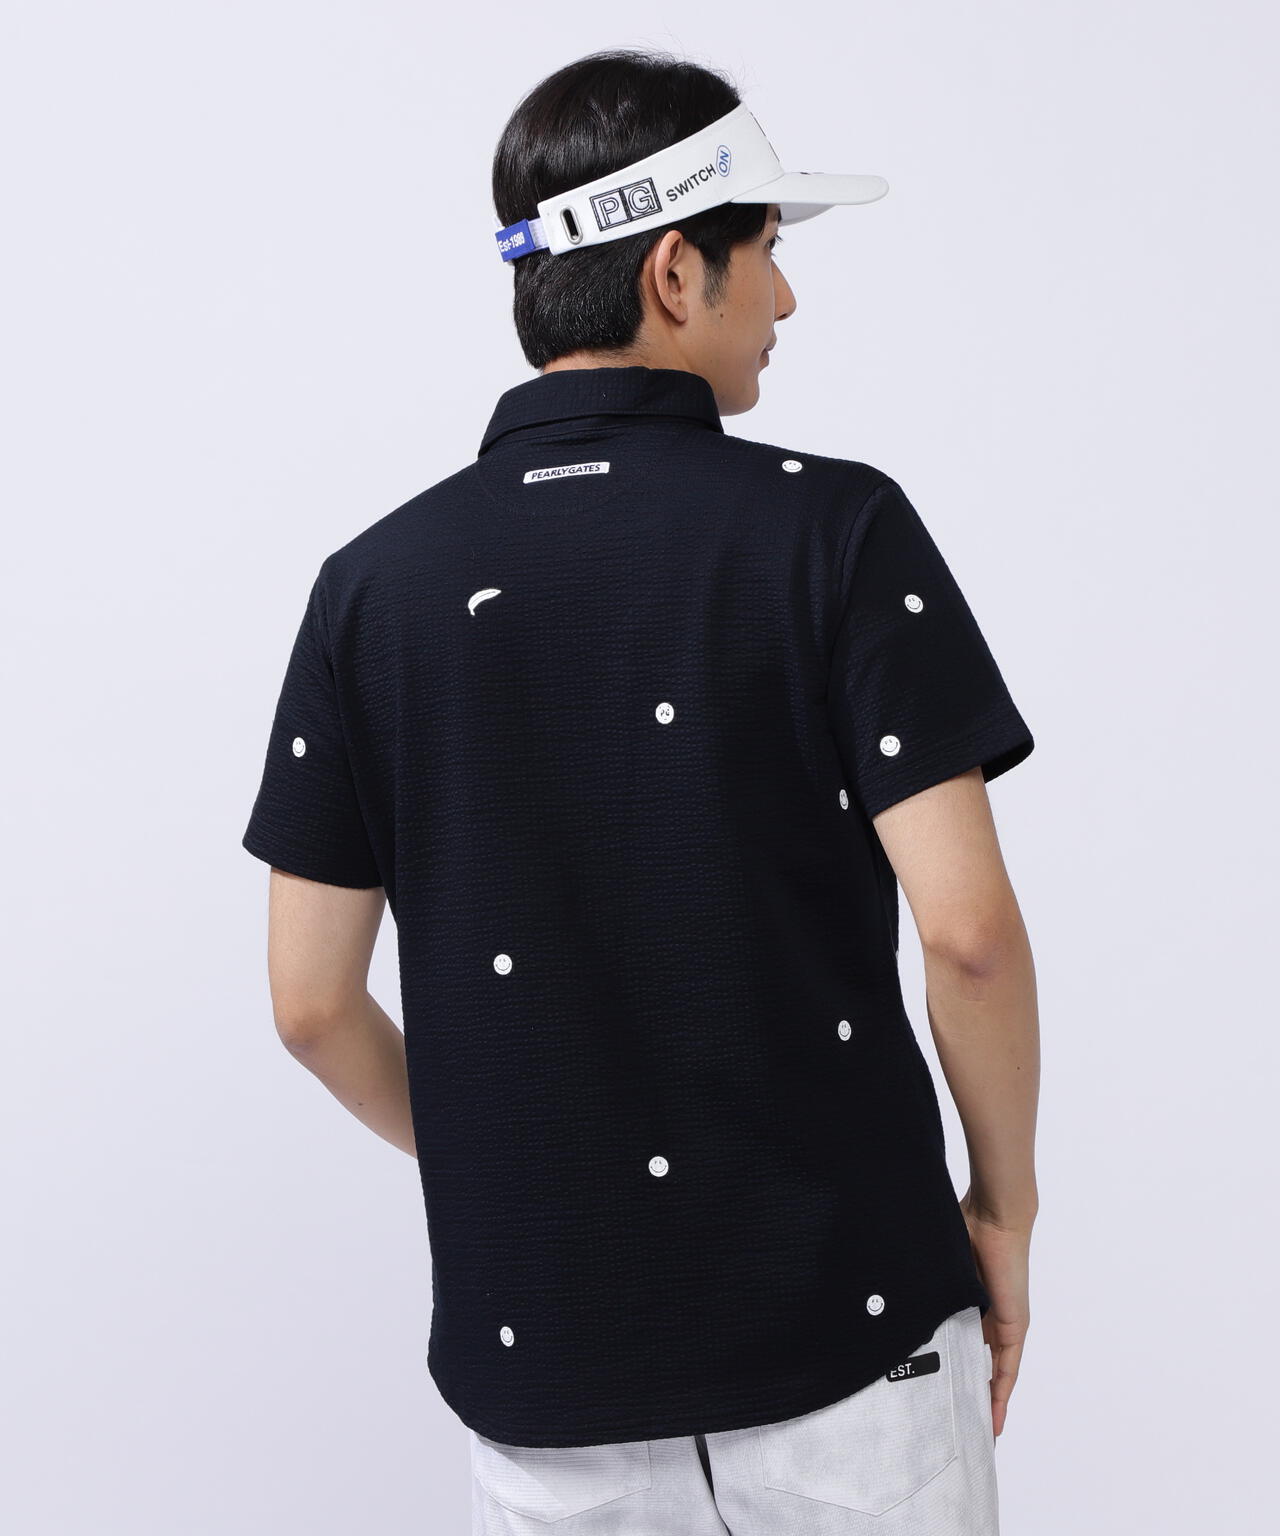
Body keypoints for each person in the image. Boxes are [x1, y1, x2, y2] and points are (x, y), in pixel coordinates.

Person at [242, 47, 1040, 1536]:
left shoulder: (373, 589)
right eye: (768, 253)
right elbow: (970, 935)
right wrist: (1005, 1206)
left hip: (545, 1377)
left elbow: (307, 1004)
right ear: (676, 273)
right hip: (855, 1340)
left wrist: (516, 1168)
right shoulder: (835, 531)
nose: (785, 301)